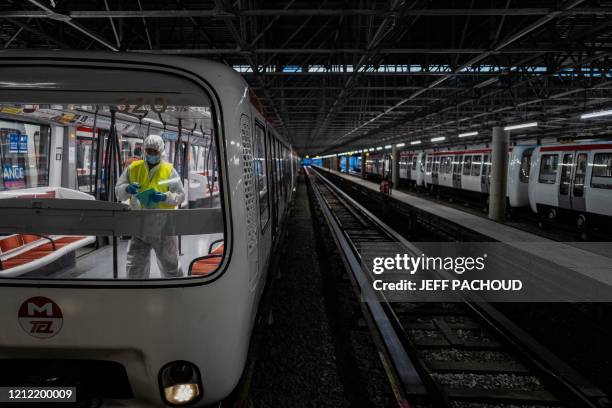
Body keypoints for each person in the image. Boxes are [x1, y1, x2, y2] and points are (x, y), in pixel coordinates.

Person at [115, 135, 185, 279]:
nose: (151, 154)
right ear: (144, 150)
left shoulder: (169, 170)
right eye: (149, 151)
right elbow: (118, 190)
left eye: (155, 152)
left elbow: (180, 195)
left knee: (170, 266)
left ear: (161, 152)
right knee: (135, 267)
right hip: (139, 226)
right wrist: (127, 189)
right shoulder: (133, 168)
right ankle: (138, 295)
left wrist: (165, 197)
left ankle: (176, 292)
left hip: (163, 227)